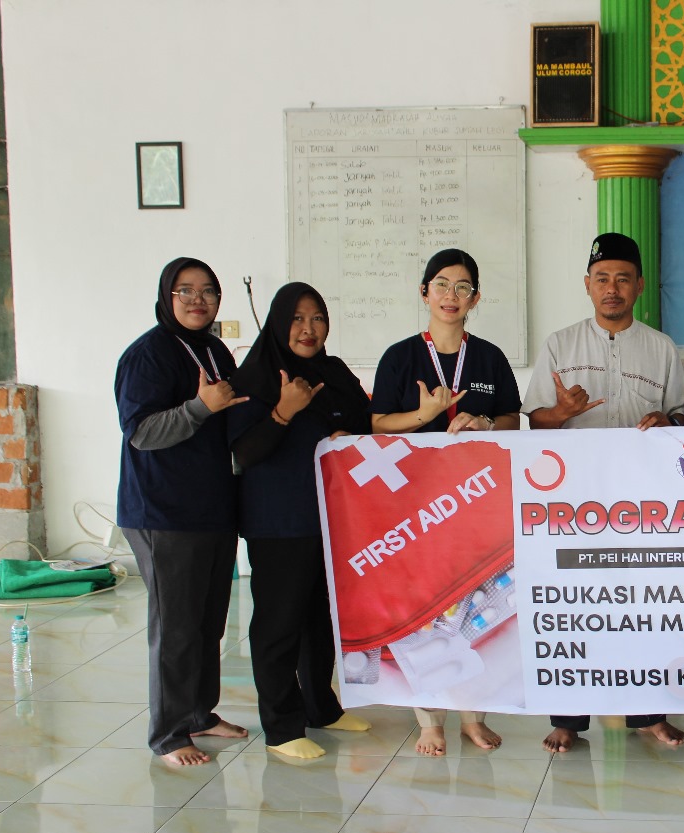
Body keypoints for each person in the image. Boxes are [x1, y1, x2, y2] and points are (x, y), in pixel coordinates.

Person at [522, 232, 684, 753]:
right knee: (576, 607)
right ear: (587, 285)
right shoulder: (560, 344)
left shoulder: (661, 347)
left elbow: (683, 417)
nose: (611, 288)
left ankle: (648, 715)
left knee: (644, 606)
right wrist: (562, 412)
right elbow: (535, 423)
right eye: (602, 279)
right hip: (576, 501)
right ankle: (568, 719)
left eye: (622, 279)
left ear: (639, 286)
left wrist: (667, 422)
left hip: (643, 502)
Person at [371, 248, 522, 757]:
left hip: (476, 501)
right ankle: (429, 721)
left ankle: (473, 717)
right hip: (416, 504)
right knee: (423, 612)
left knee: (476, 605)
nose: (451, 296)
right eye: (441, 284)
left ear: (475, 298)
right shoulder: (399, 358)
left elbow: (512, 420)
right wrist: (424, 415)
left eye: (462, 287)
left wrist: (484, 423)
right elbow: (378, 424)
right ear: (424, 292)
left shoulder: (490, 357)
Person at [229, 283, 374, 759]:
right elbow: (244, 452)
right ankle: (281, 727)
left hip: (332, 518)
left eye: (317, 317)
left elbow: (364, 420)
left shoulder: (332, 371)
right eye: (296, 318)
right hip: (279, 520)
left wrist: (347, 431)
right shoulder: (255, 377)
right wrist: (283, 412)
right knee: (279, 624)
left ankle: (321, 708)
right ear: (277, 322)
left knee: (319, 620)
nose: (308, 329)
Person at [115, 257, 250, 766]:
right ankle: (169, 735)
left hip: (211, 508)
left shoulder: (214, 351)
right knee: (175, 627)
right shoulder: (147, 355)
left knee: (208, 622)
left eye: (208, 291)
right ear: (166, 296)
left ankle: (198, 714)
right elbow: (141, 432)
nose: (198, 300)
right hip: (163, 511)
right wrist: (201, 407)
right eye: (185, 290)